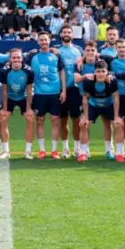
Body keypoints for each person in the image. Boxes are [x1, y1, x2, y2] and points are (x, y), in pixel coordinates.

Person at [23, 31, 65, 160]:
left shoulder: (56, 55)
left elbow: (62, 72)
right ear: (38, 42)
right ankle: (42, 150)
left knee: (55, 120)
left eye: (45, 40)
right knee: (40, 121)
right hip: (39, 94)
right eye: (41, 40)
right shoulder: (32, 56)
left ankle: (53, 151)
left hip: (55, 93)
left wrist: (64, 90)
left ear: (49, 41)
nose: (44, 42)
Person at [75, 41, 117, 160]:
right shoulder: (79, 63)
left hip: (105, 99)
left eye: (92, 50)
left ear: (96, 52)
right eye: (87, 50)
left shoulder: (104, 59)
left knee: (107, 124)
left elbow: (119, 59)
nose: (90, 52)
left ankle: (109, 150)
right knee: (84, 123)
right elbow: (77, 80)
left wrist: (109, 75)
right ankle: (84, 151)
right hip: (89, 98)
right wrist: (87, 76)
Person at [78, 60, 122, 163]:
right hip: (93, 105)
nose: (101, 74)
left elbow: (116, 97)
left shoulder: (112, 81)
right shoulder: (89, 81)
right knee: (83, 124)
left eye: (103, 71)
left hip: (108, 105)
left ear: (107, 72)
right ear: (95, 72)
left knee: (118, 124)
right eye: (98, 71)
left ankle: (116, 153)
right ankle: (84, 153)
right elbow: (85, 98)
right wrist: (85, 116)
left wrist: (116, 117)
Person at [0, 48, 35, 160]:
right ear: (10, 59)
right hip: (10, 96)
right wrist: (4, 108)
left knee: (30, 119)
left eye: (18, 57)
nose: (16, 60)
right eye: (14, 58)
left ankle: (28, 151)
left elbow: (29, 91)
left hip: (23, 96)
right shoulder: (4, 71)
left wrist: (28, 109)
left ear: (22, 58)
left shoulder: (29, 71)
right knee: (3, 118)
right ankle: (5, 151)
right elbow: (4, 90)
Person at [55, 25, 84, 158]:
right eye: (64, 32)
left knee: (76, 119)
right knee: (63, 119)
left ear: (72, 35)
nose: (66, 34)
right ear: (61, 34)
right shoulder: (56, 50)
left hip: (74, 89)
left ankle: (77, 148)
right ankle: (65, 148)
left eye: (69, 32)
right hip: (60, 89)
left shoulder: (78, 50)